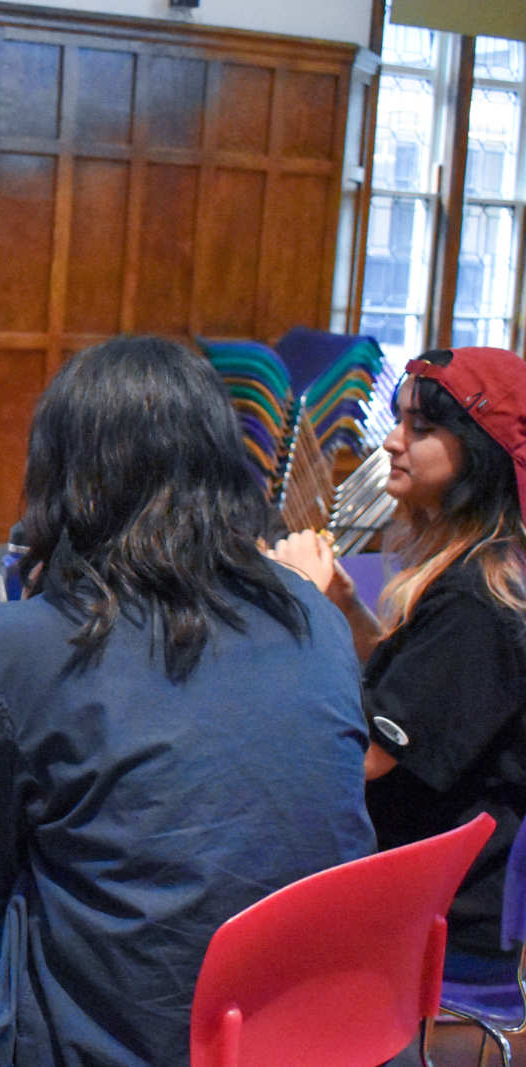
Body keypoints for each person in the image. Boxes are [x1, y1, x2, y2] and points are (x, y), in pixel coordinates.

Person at [0, 335, 374, 1066]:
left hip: (115, 1033)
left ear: (66, 476)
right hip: (308, 1020)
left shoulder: (28, 643)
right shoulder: (315, 617)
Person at [269, 346, 526, 980]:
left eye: (422, 428)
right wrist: (347, 612)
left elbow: (365, 760)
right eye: (398, 421)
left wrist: (304, 611)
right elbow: (407, 690)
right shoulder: (473, 573)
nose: (391, 442)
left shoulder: (476, 602)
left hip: (438, 913)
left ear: (478, 451)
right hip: (421, 883)